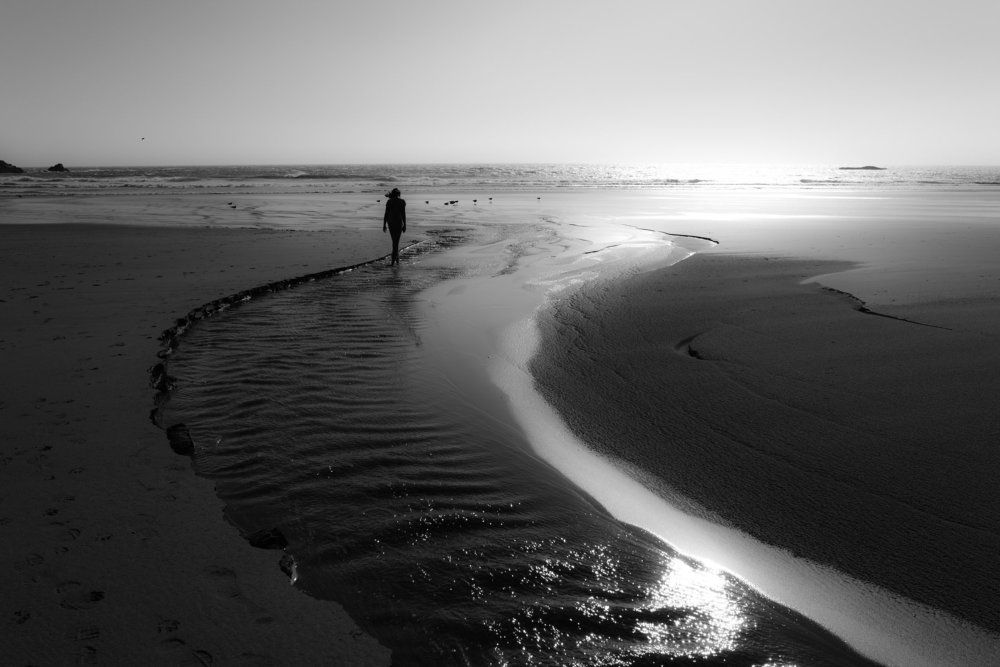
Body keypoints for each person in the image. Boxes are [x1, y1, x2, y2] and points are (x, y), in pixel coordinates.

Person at [383, 188, 406, 265]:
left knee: (394, 242)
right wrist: (405, 225)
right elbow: (403, 214)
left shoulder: (389, 201)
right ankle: (396, 261)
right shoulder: (402, 202)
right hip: (399, 223)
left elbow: (386, 214)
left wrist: (384, 225)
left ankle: (394, 261)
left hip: (391, 223)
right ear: (399, 194)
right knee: (396, 242)